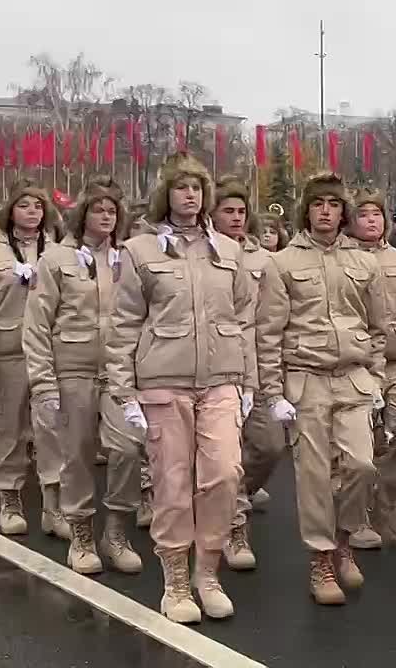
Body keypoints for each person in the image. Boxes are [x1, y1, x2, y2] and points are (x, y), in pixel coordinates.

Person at [106, 153, 254, 623]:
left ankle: (206, 574)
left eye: (197, 187)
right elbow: (124, 323)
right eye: (181, 187)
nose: (190, 195)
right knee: (172, 483)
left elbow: (244, 318)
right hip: (163, 384)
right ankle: (174, 581)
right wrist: (124, 391)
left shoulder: (229, 252)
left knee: (225, 475)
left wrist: (249, 380)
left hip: (221, 381)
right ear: (165, 194)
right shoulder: (139, 251)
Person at [255, 172, 387, 606]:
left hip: (353, 376)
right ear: (307, 210)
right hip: (305, 379)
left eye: (333, 203)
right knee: (312, 477)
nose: (326, 211)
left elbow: (378, 328)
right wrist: (273, 394)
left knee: (362, 465)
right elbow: (269, 332)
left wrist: (379, 379)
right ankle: (321, 558)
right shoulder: (283, 263)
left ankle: (345, 537)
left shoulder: (366, 262)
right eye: (318, 204)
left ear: (343, 211)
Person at [24, 178, 142, 574]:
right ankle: (81, 535)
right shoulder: (56, 260)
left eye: (112, 211)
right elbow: (37, 324)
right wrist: (43, 383)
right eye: (98, 210)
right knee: (76, 457)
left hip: (118, 374)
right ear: (83, 214)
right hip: (71, 370)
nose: (106, 217)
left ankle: (116, 531)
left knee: (127, 449)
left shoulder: (127, 258)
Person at [342, 187, 396, 551]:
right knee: (361, 444)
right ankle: (356, 517)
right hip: (355, 364)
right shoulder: (341, 259)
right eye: (363, 214)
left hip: (394, 361)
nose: (371, 220)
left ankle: (386, 500)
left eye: (377, 214)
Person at [211, 176, 279, 571]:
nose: (236, 218)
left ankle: (234, 495)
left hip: (257, 365)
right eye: (227, 211)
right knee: (227, 452)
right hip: (216, 366)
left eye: (241, 211)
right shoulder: (201, 254)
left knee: (270, 446)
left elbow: (275, 317)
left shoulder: (263, 259)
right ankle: (235, 527)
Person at [0, 180, 64, 538]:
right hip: (7, 346)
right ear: (11, 210)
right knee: (10, 426)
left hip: (50, 349)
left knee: (51, 426)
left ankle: (54, 502)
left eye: (37, 206)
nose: (32, 212)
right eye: (24, 205)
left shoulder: (55, 248)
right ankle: (9, 495)